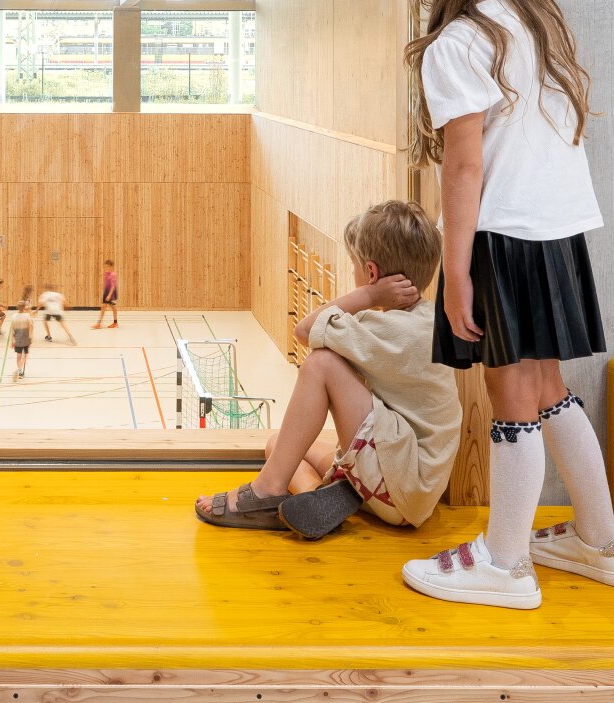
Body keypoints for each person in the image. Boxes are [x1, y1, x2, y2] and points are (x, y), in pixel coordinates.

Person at [388, 0, 614, 610]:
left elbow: (464, 166)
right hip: (555, 229)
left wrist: (453, 270)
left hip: (503, 231)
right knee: (548, 386)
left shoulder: (459, 43)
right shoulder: (528, 19)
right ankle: (601, 543)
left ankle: (503, 563)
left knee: (509, 393)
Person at [193, 201, 460, 539]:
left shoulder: (391, 330)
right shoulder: (425, 319)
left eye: (354, 267)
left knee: (320, 364)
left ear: (371, 273)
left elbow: (304, 330)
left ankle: (264, 494)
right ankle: (315, 498)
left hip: (401, 483)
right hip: (408, 485)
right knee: (278, 445)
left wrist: (366, 295)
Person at [8, 301, 35, 379]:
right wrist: (31, 337)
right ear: (24, 307)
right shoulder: (27, 316)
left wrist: (12, 340)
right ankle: (19, 369)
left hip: (17, 337)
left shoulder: (14, 316)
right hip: (25, 336)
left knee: (18, 355)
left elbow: (12, 329)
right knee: (25, 356)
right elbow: (30, 326)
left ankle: (19, 371)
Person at [94, 259, 120, 329]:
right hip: (106, 292)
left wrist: (109, 295)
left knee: (113, 308)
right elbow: (106, 283)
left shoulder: (113, 274)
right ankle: (99, 323)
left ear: (111, 266)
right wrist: (105, 292)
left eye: (108, 267)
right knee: (103, 307)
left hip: (112, 293)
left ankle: (115, 323)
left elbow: (113, 286)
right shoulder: (106, 273)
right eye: (105, 267)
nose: (106, 268)